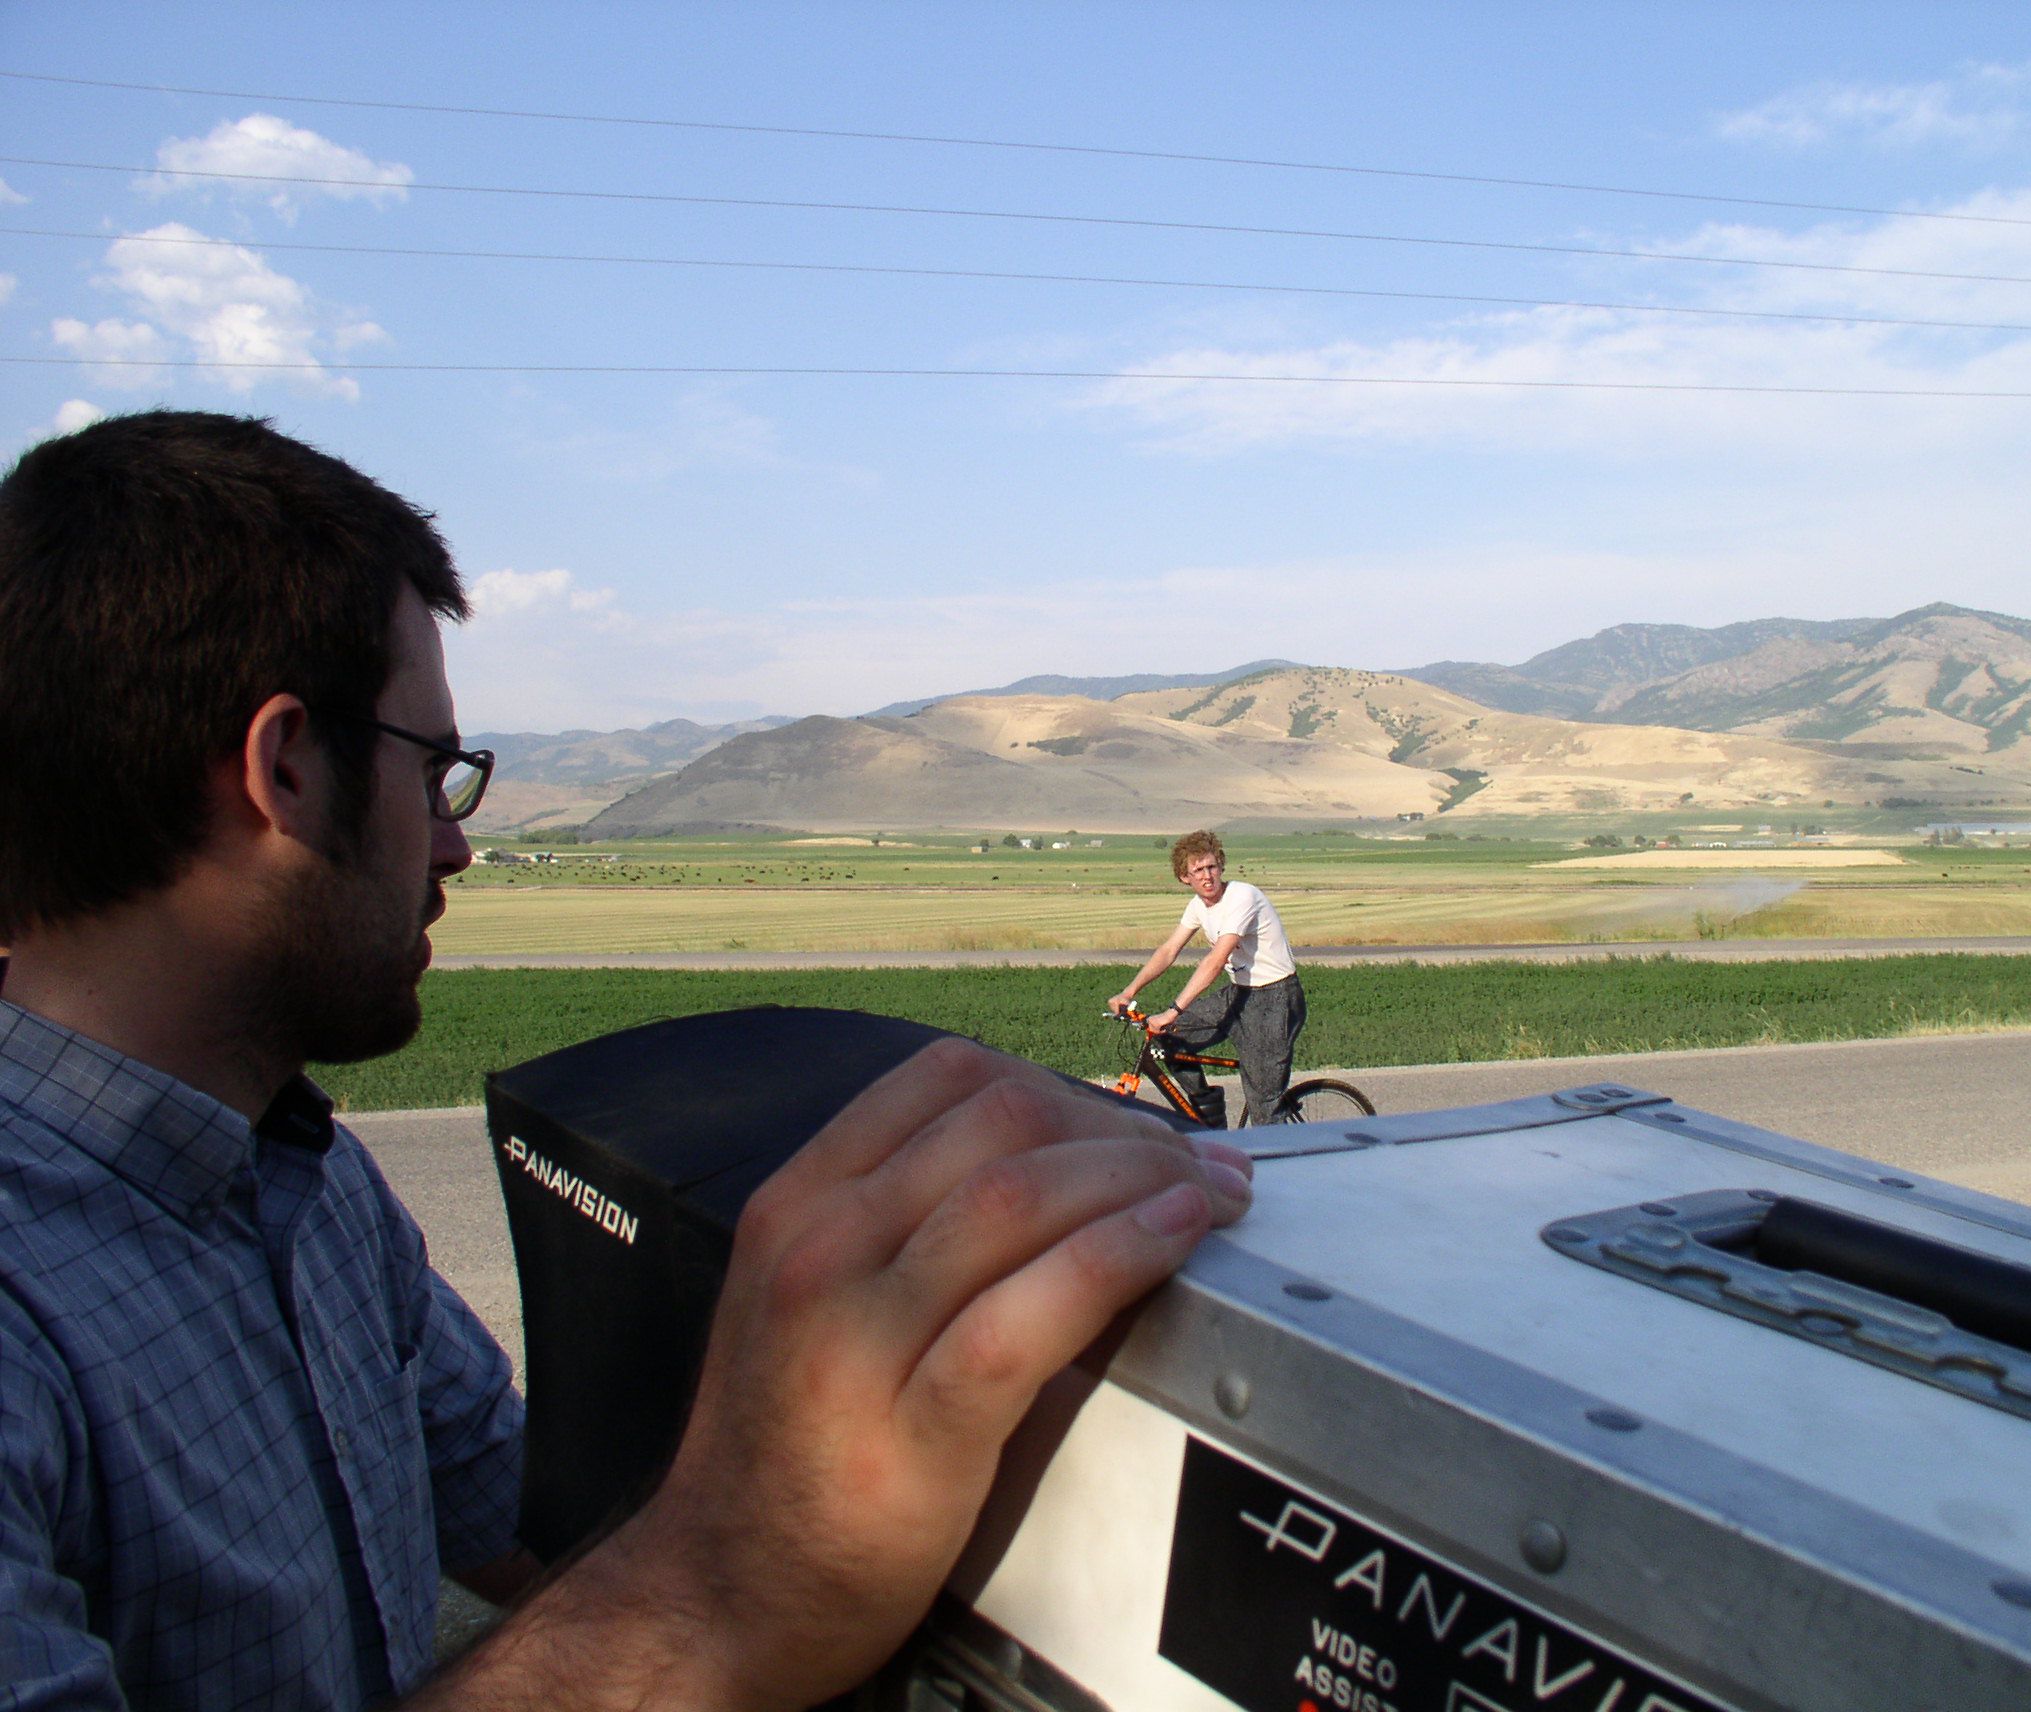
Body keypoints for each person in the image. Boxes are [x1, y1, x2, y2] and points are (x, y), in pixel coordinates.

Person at [0, 410, 1253, 1710]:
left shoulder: (312, 1189)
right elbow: (658, 1577)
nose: (455, 846)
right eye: (436, 774)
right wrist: (713, 1582)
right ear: (288, 771)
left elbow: (530, 1523)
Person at [1109, 829, 1304, 1127]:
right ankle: (1210, 1119)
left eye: (1211, 867)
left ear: (1221, 866)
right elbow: (1169, 950)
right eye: (1197, 870)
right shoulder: (1198, 907)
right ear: (1184, 878)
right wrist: (1129, 991)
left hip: (1275, 998)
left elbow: (1216, 960)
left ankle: (1280, 1154)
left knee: (1263, 1104)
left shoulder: (1242, 896)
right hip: (1239, 993)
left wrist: (1173, 1011)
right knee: (1168, 1039)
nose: (1207, 876)